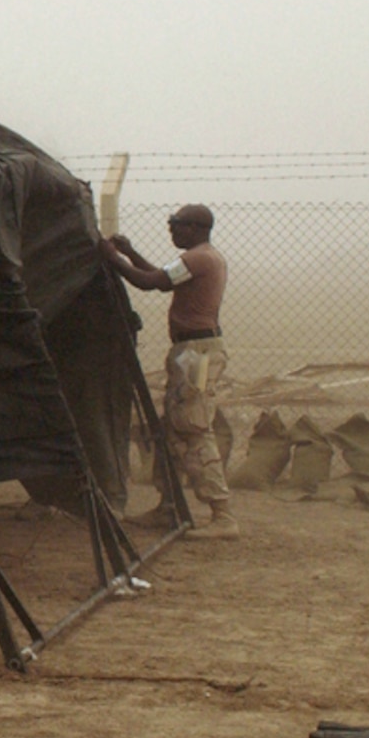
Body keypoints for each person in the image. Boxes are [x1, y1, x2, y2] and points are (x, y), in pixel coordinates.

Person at [101, 204, 237, 539]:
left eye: (176, 225)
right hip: (191, 351)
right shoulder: (201, 258)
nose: (172, 230)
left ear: (195, 227)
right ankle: (168, 507)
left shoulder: (199, 259)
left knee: (193, 426)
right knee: (175, 429)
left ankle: (222, 515)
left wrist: (112, 258)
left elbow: (150, 282)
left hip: (197, 353)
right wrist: (130, 253)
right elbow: (162, 279)